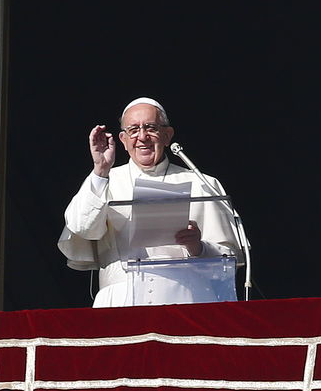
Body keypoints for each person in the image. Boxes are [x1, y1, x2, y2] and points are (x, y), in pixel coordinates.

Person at [58, 97, 240, 307]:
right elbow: (81, 228)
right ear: (123, 140)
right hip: (120, 303)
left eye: (150, 128)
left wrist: (197, 246)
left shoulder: (201, 183)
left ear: (167, 135)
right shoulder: (103, 181)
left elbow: (230, 259)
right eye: (133, 130)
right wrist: (100, 170)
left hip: (186, 300)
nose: (142, 137)